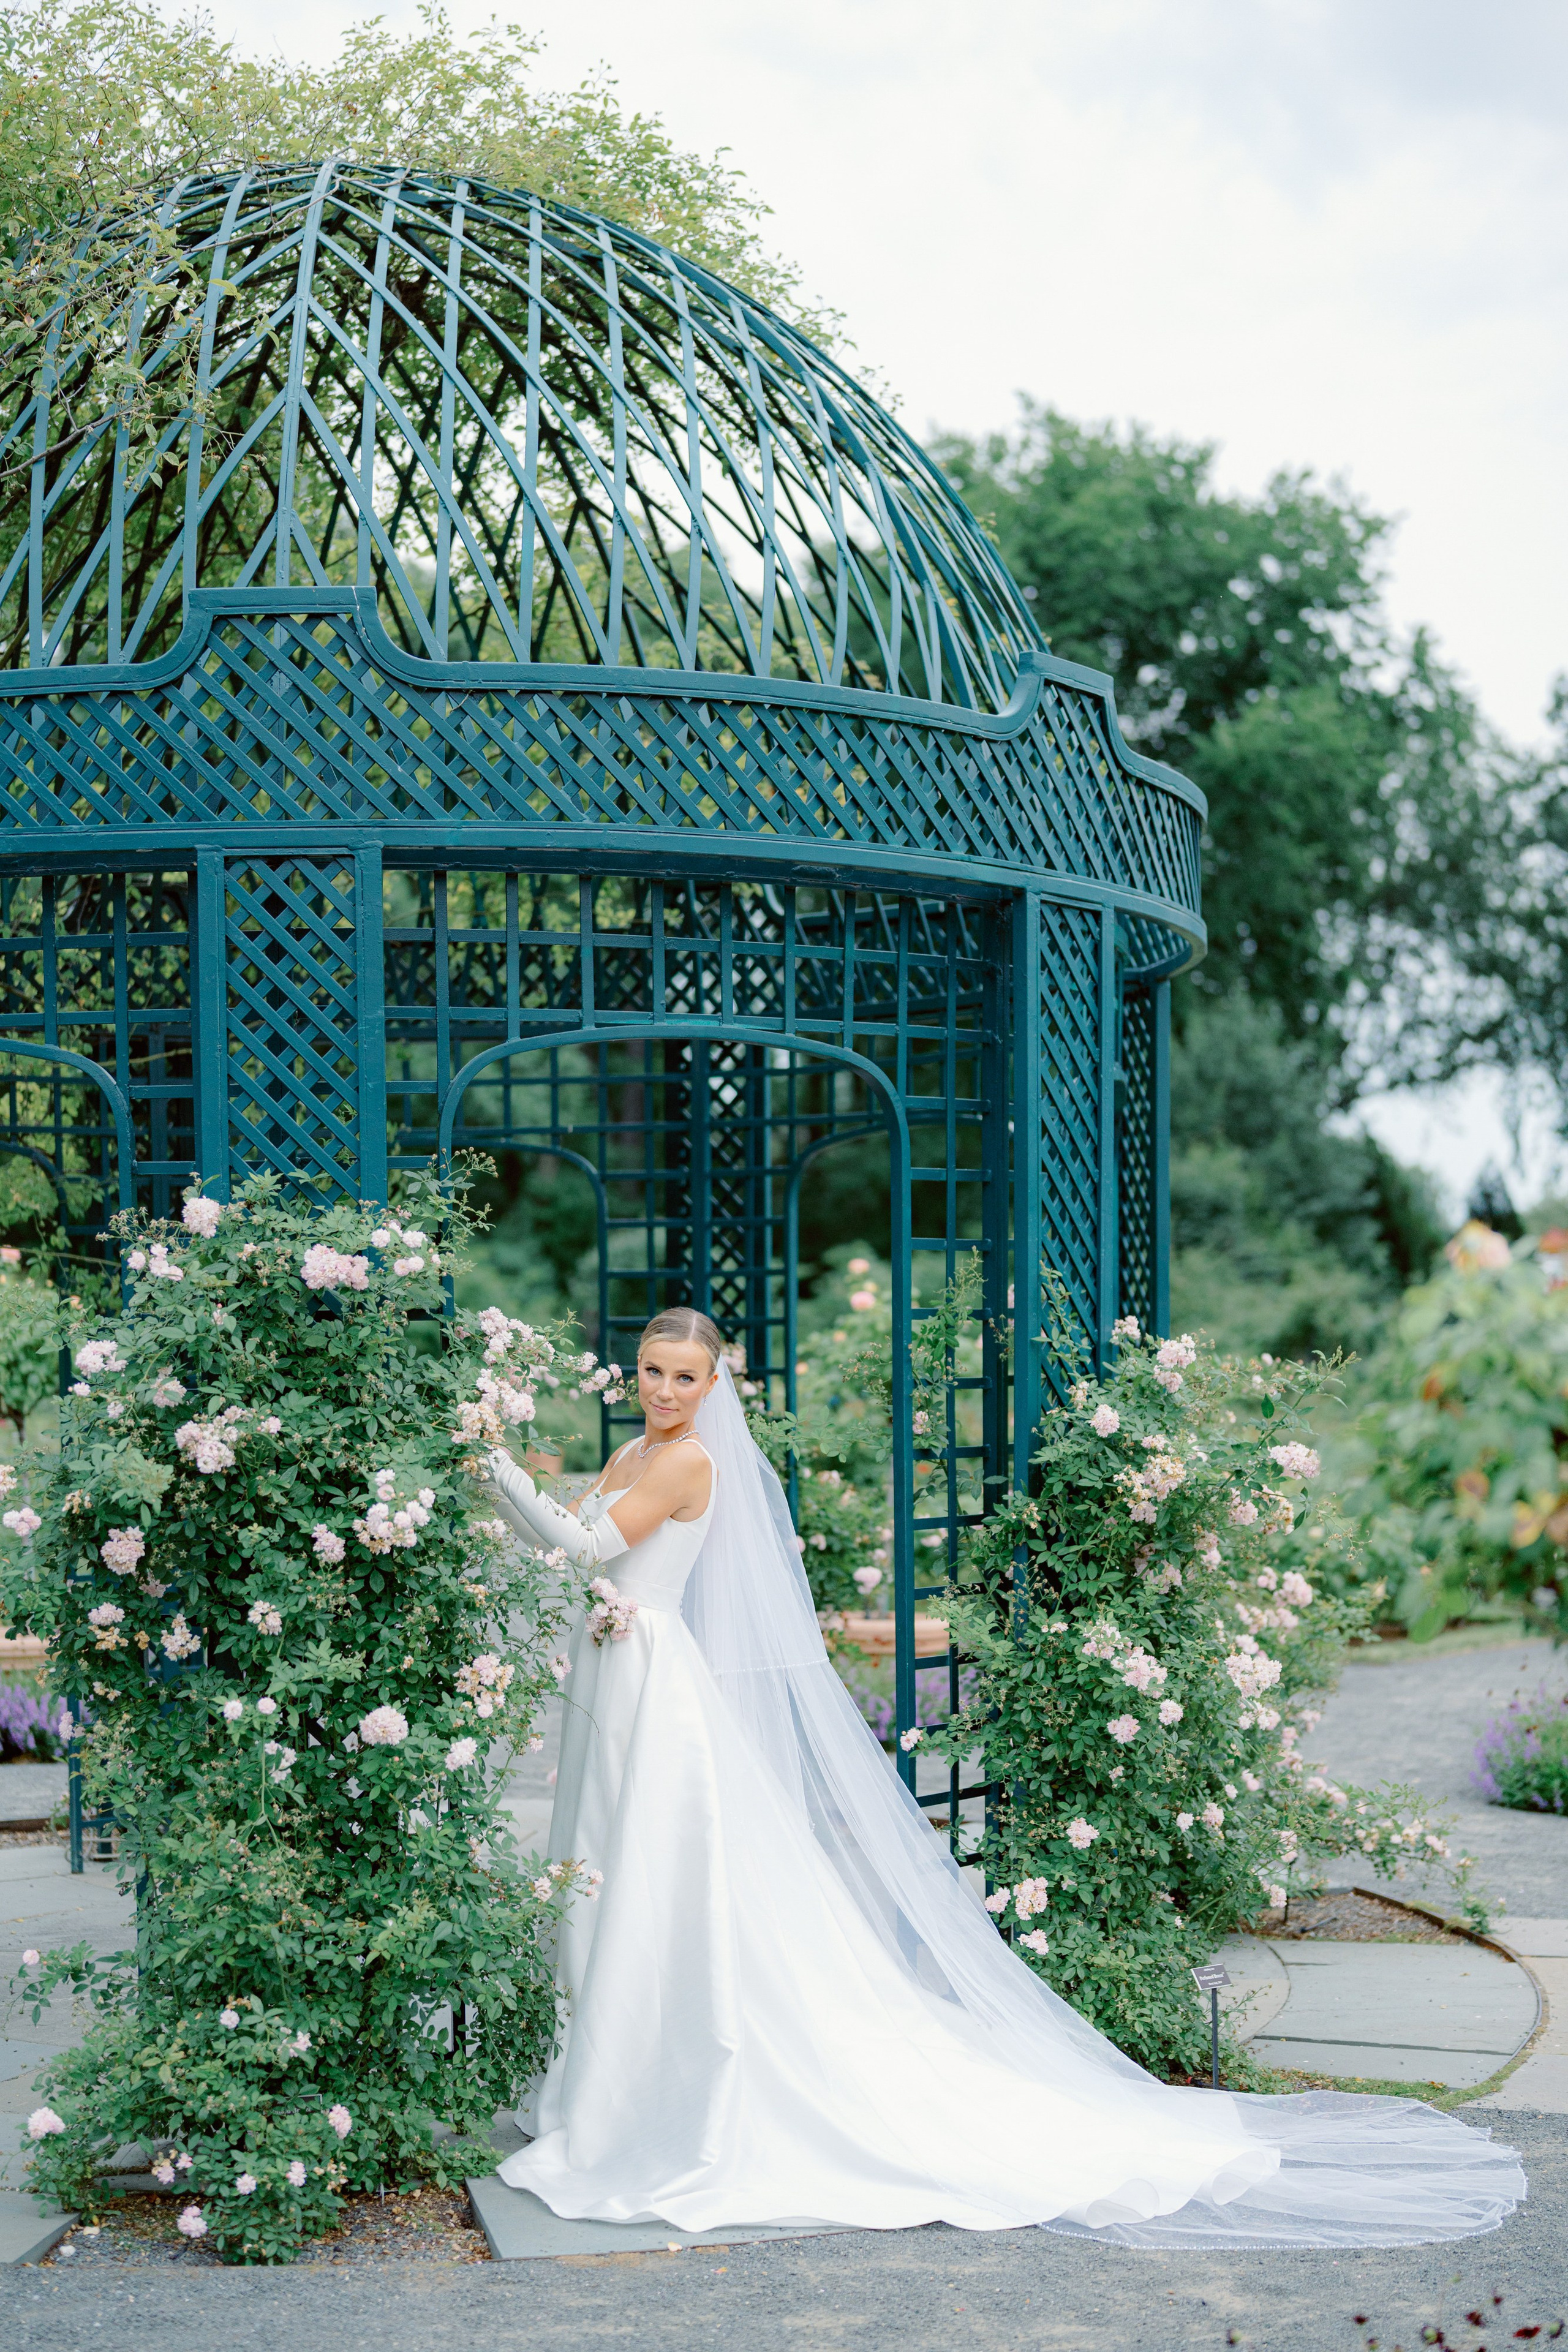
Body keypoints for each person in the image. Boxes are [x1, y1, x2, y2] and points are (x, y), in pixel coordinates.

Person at [482, 1308, 1525, 2245]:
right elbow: (576, 1549)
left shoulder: (688, 1465)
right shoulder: (633, 1448)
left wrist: (492, 1464)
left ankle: (657, 2096)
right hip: (614, 1679)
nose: (664, 1391)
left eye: (684, 1378)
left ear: (715, 1390)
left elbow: (579, 1545)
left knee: (659, 1882)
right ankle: (605, 2085)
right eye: (652, 1372)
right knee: (607, 1875)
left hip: (656, 1689)